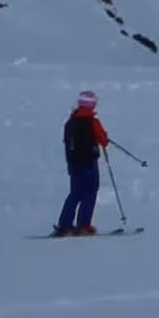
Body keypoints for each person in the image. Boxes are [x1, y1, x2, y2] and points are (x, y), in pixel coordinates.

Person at [55, 91, 111, 235]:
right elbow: (103, 141)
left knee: (75, 193)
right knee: (90, 192)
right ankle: (83, 225)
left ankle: (65, 225)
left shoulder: (69, 123)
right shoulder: (93, 122)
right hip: (89, 163)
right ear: (92, 105)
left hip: (73, 164)